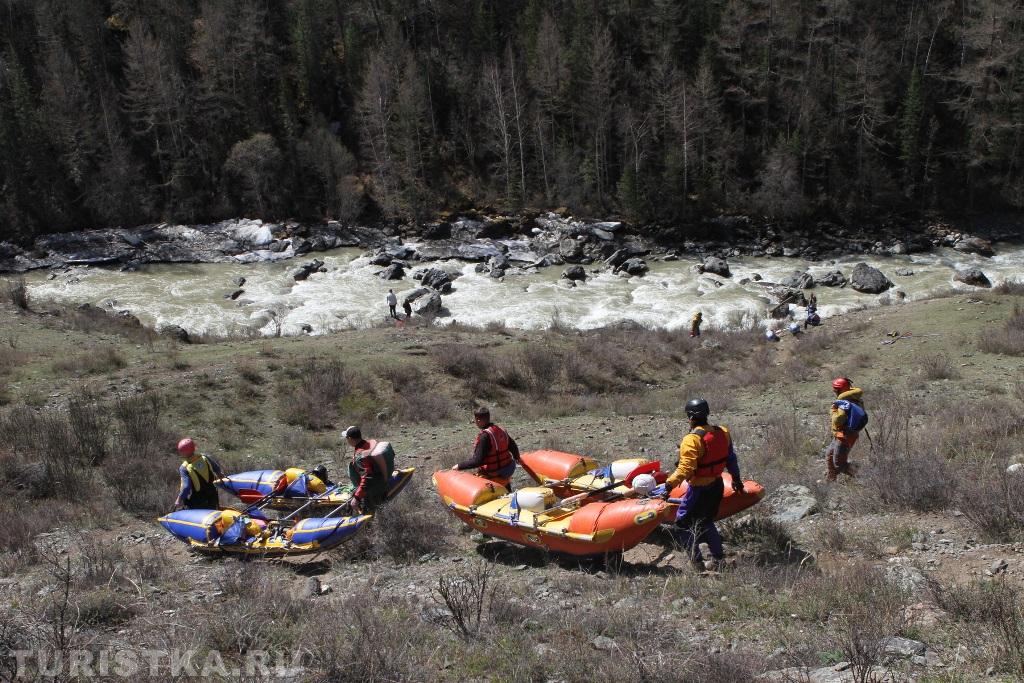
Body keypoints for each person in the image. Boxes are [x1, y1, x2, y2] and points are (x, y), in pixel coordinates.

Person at [662, 398, 743, 572]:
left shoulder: (692, 440)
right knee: (706, 521)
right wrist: (736, 479)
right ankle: (719, 559)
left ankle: (697, 564)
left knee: (682, 525)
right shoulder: (723, 432)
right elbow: (731, 459)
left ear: (690, 417)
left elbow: (685, 468)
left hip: (698, 489)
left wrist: (669, 484)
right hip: (717, 485)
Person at [451, 406, 521, 490]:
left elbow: (477, 461)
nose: (475, 422)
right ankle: (507, 490)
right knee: (505, 486)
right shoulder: (501, 430)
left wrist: (459, 466)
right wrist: (517, 457)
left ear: (478, 420)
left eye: (475, 420)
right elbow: (513, 446)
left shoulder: (484, 437)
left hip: (494, 473)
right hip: (508, 469)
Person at [341, 426, 396, 514]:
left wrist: (357, 498)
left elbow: (366, 477)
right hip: (382, 479)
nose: (347, 440)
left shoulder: (360, 455)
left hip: (375, 488)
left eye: (347, 438)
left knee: (368, 512)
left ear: (350, 439)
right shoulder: (370, 443)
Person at [827, 377, 865, 481]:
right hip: (842, 433)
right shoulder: (853, 397)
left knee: (839, 464)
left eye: (836, 389)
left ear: (841, 390)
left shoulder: (845, 402)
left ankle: (865, 477)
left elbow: (838, 420)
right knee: (829, 454)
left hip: (845, 435)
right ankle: (831, 480)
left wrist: (833, 411)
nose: (834, 391)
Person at [173, 438, 225, 510]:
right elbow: (217, 470)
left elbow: (186, 487)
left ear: (182, 453)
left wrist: (179, 499)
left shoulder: (184, 468)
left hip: (199, 500)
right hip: (213, 495)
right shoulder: (205, 457)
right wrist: (221, 477)